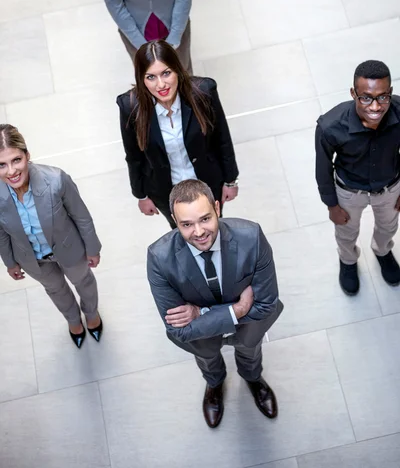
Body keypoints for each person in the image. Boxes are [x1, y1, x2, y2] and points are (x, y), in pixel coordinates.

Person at [147, 179, 283, 428]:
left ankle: (253, 378)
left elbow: (265, 304)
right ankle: (215, 383)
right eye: (186, 225)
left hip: (249, 324)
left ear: (217, 208)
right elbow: (179, 329)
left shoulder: (251, 237)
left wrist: (201, 313)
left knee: (250, 350)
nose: (198, 232)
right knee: (207, 358)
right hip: (212, 331)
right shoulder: (159, 258)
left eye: (205, 219)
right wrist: (237, 309)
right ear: (175, 223)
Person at [117, 40, 239, 229]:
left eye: (166, 73)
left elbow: (222, 139)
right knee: (183, 234)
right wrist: (141, 195)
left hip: (207, 182)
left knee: (214, 229)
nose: (161, 84)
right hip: (166, 191)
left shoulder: (203, 92)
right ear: (141, 78)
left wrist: (230, 180)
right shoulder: (130, 107)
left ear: (177, 70)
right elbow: (134, 157)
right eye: (151, 77)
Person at [0, 124, 103, 348]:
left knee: (83, 282)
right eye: (2, 165)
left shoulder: (56, 179)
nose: (11, 171)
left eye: (16, 160)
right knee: (55, 290)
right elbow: (1, 233)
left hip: (70, 250)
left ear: (27, 155)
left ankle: (92, 314)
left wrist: (92, 248)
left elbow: (82, 217)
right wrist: (10, 262)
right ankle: (73, 320)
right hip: (33, 259)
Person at [315, 60, 400, 295]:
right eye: (366, 97)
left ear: (390, 93)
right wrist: (332, 205)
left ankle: (382, 251)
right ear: (354, 93)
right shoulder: (330, 125)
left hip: (390, 187)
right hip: (349, 191)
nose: (375, 107)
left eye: (383, 97)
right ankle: (348, 261)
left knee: (388, 226)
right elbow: (323, 169)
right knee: (346, 232)